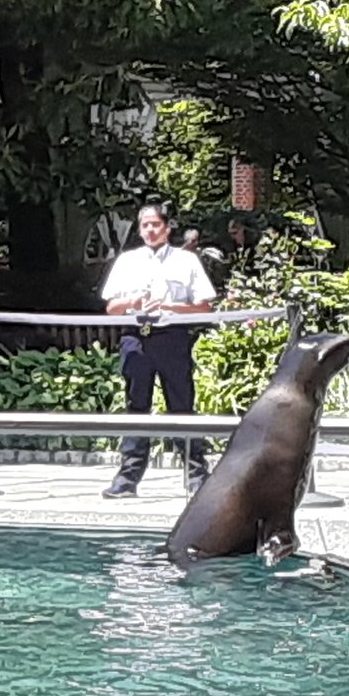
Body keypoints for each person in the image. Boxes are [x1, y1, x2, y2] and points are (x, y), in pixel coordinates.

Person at [99, 203, 217, 498]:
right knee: (136, 406)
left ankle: (196, 476)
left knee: (181, 405)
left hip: (172, 337)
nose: (150, 230)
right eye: (145, 226)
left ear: (167, 228)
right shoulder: (127, 261)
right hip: (136, 338)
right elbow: (112, 307)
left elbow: (204, 306)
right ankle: (127, 478)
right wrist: (134, 301)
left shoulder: (186, 261)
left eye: (155, 224)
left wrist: (169, 306)